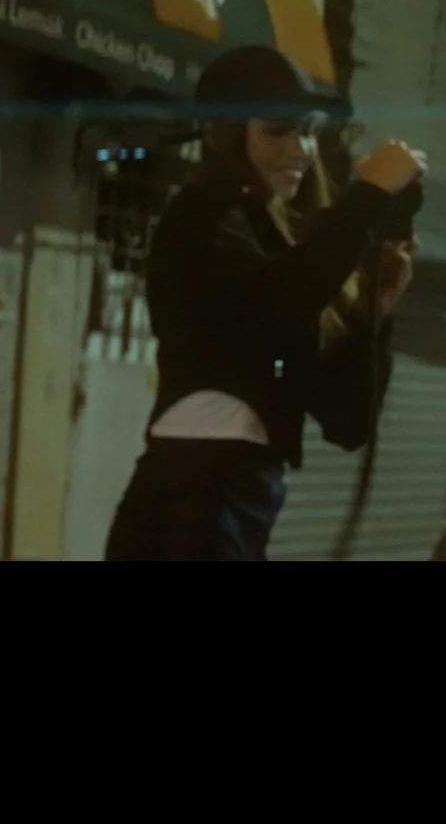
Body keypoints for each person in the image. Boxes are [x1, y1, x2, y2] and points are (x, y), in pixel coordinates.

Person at [104, 45, 424, 562]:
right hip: (190, 508)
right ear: (228, 135)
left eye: (309, 132)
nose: (301, 151)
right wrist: (366, 197)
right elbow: (277, 306)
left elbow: (346, 422)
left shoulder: (279, 247)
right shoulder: (201, 217)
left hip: (238, 504)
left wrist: (377, 307)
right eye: (279, 131)